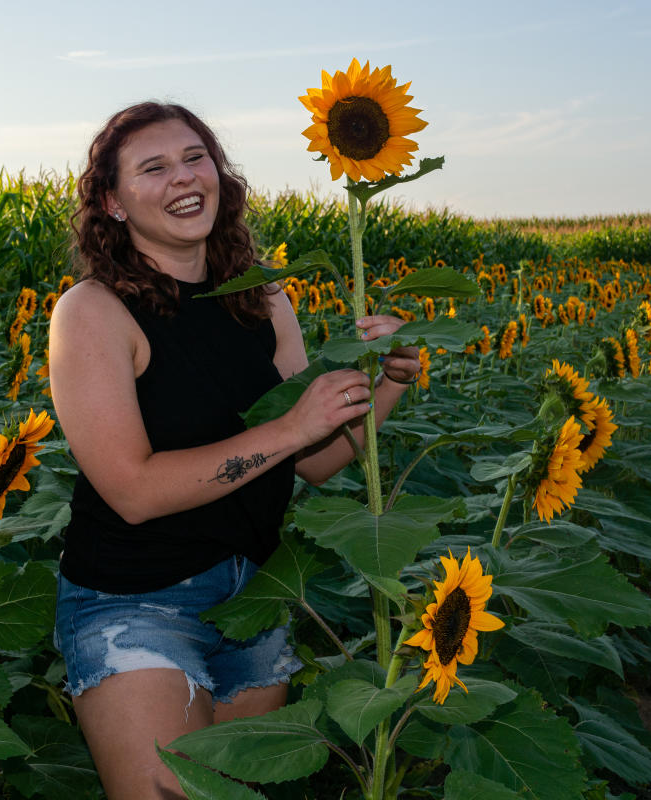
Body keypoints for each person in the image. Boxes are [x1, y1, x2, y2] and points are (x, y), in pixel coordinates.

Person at [48, 101, 420, 800]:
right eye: (152, 168)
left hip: (257, 596)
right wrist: (291, 426)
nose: (184, 178)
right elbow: (132, 489)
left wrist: (390, 380)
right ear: (113, 202)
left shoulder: (262, 298)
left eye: (196, 157)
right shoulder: (92, 312)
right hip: (136, 599)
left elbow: (315, 460)